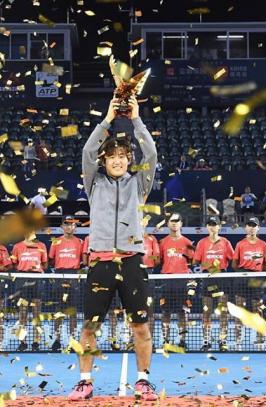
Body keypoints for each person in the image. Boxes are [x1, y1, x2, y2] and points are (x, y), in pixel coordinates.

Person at [68, 95, 158, 401]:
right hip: (101, 264)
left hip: (132, 262)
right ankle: (84, 381)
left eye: (123, 155)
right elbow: (87, 151)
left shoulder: (139, 184)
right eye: (112, 156)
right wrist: (107, 118)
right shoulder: (94, 184)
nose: (118, 160)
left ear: (129, 160)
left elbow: (152, 152)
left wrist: (135, 119)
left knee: (141, 327)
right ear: (104, 161)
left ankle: (143, 381)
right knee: (90, 327)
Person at [193, 216, 234, 352]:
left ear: (219, 227)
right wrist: (210, 265)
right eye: (210, 224)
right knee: (207, 311)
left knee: (223, 311)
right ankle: (206, 341)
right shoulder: (201, 243)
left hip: (221, 277)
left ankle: (223, 340)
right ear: (207, 227)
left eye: (214, 224)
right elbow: (196, 261)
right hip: (208, 277)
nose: (212, 227)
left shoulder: (226, 242)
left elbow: (233, 260)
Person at [232, 217, 266, 347]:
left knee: (257, 308)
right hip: (242, 277)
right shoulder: (240, 244)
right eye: (249, 225)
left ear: (258, 228)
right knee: (239, 308)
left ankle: (260, 337)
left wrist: (257, 272)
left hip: (256, 278)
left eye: (254, 225)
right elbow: (234, 264)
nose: (252, 227)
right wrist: (243, 272)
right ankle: (238, 338)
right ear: (246, 228)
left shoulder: (264, 245)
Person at [159, 214, 194, 350]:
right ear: (168, 224)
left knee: (183, 312)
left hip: (182, 281)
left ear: (181, 224)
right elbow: (159, 260)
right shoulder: (162, 242)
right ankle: (166, 341)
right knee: (165, 312)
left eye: (177, 221)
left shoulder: (187, 243)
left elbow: (192, 261)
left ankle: (182, 340)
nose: (174, 224)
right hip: (166, 280)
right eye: (172, 221)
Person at [49, 216, 84, 352]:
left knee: (72, 311)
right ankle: (57, 340)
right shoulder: (55, 242)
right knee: (58, 310)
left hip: (73, 276)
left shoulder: (80, 242)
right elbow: (51, 260)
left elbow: (84, 260)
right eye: (66, 224)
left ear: (75, 227)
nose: (69, 226)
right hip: (59, 275)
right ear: (62, 227)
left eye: (71, 224)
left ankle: (73, 340)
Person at [11, 232, 48, 351]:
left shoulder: (41, 246)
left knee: (37, 312)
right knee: (23, 313)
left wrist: (35, 268)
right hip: (22, 279)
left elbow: (45, 264)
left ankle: (36, 342)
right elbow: (15, 263)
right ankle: (22, 342)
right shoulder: (17, 246)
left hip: (37, 278)